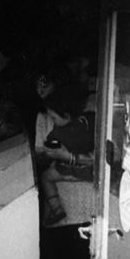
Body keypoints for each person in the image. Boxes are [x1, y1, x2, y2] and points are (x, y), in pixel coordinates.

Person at [34, 68, 95, 226]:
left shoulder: (59, 132)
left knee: (46, 177)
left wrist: (54, 154)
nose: (52, 120)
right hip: (90, 172)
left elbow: (49, 146)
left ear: (66, 116)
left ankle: (57, 210)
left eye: (54, 117)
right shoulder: (88, 120)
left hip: (71, 169)